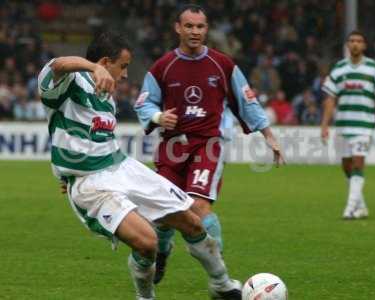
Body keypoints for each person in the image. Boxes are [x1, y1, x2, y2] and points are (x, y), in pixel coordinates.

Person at [38, 31, 242, 300]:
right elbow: (56, 65)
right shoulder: (68, 83)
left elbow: (88, 142)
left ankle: (222, 284)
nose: (124, 75)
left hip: (121, 167)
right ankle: (145, 297)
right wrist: (92, 68)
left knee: (191, 219)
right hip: (92, 184)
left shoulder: (106, 93)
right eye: (122, 66)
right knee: (147, 243)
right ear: (104, 61)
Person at [134, 4, 284, 284]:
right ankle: (163, 251)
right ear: (178, 28)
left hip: (208, 145)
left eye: (200, 27)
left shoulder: (222, 64)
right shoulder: (163, 66)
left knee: (199, 208)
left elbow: (246, 99)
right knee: (165, 213)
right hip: (171, 148)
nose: (195, 31)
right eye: (189, 26)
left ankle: (220, 276)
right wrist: (157, 116)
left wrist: (269, 136)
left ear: (207, 29)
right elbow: (144, 102)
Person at [321, 30, 375, 219]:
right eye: (352, 41)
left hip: (364, 125)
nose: (355, 44)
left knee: (358, 163)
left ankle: (350, 208)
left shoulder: (374, 69)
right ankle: (361, 206)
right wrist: (325, 125)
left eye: (359, 41)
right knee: (346, 165)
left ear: (364, 45)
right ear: (347, 45)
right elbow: (329, 99)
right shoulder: (338, 69)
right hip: (343, 124)